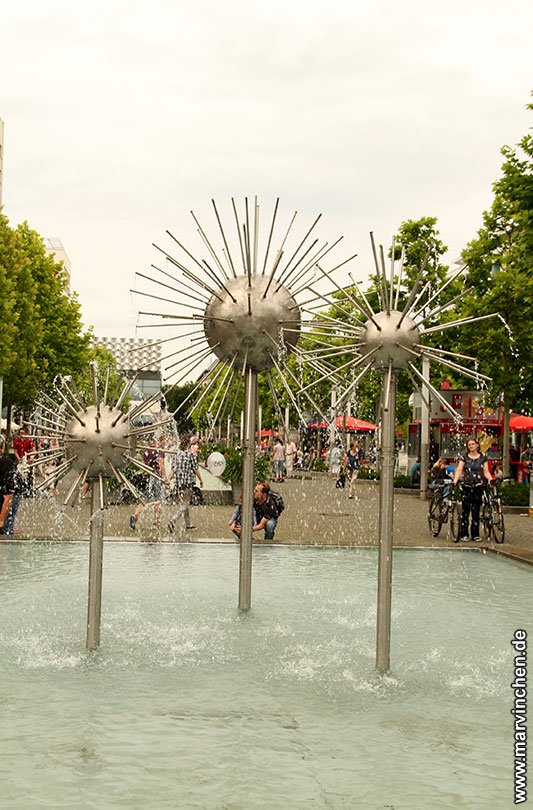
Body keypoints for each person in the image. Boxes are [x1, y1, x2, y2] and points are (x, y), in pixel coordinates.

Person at [453, 437, 492, 542]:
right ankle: (464, 533)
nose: (471, 446)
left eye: (473, 444)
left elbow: (486, 471)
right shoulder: (464, 457)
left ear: (477, 445)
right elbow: (459, 469)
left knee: (476, 511)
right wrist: (455, 481)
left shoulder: (483, 457)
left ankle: (475, 534)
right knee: (465, 511)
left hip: (478, 486)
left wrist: (491, 480)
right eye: (469, 444)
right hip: (466, 486)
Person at [168, 439, 203, 532]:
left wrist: (168, 480)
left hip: (179, 484)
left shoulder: (176, 455)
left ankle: (188, 524)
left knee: (184, 503)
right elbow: (196, 469)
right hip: (188, 483)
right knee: (185, 503)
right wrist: (201, 480)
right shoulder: (191, 455)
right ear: (188, 445)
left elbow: (173, 470)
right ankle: (173, 520)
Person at [130, 440, 166, 530]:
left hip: (146, 476)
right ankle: (156, 523)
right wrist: (165, 479)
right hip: (156, 477)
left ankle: (135, 516)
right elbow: (161, 464)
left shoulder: (147, 450)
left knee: (144, 499)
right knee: (158, 500)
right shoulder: (159, 451)